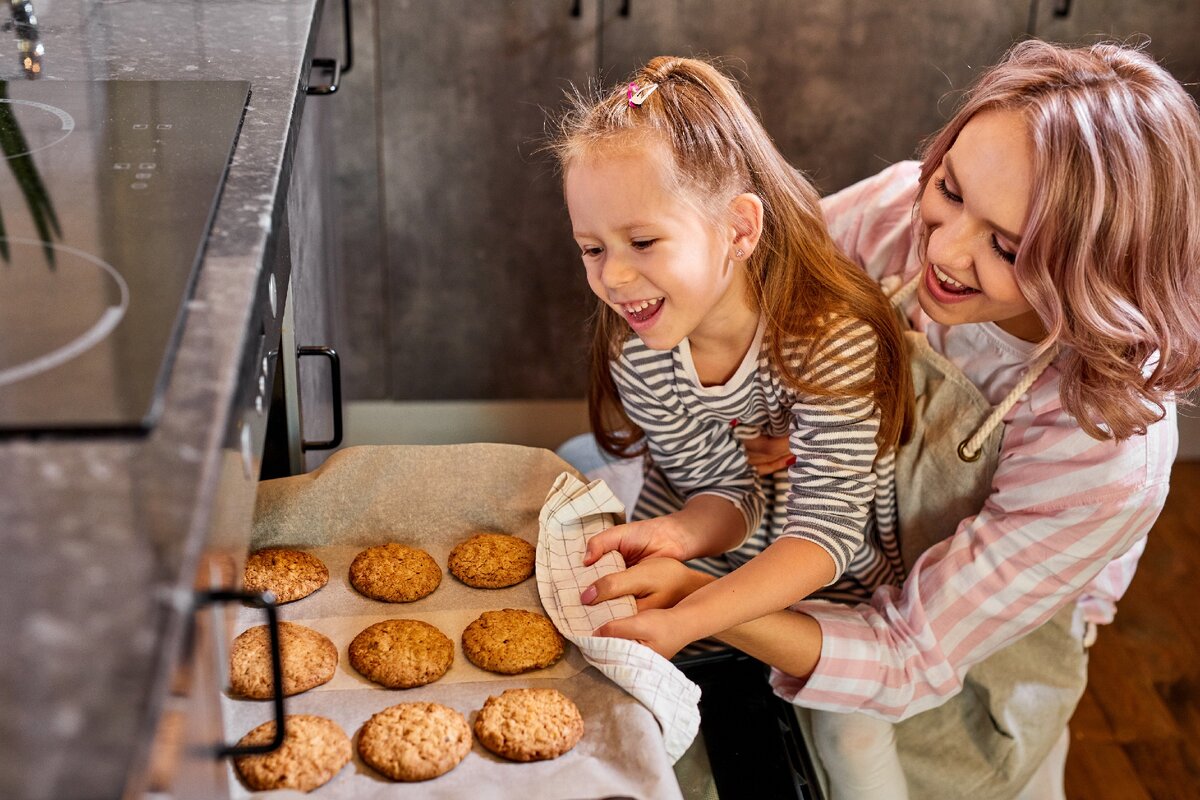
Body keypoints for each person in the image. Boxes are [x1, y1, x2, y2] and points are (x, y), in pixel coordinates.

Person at [577, 39, 1200, 800]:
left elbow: (908, 655)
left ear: (1099, 269)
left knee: (854, 740)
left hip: (963, 636)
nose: (944, 248)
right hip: (835, 546)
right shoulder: (890, 217)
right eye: (950, 189)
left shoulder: (1106, 452)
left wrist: (703, 606)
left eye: (1007, 246)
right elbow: (759, 323)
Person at [548, 55, 918, 792]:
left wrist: (692, 613)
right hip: (719, 553)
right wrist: (684, 535)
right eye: (593, 249)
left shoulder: (830, 340)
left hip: (824, 582)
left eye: (642, 242)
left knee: (852, 743)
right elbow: (720, 486)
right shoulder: (642, 350)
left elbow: (827, 534)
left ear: (738, 228)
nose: (614, 278)